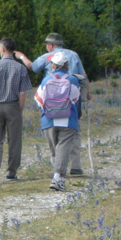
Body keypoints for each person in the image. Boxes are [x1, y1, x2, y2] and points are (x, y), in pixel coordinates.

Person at [15, 33, 88, 175]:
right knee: (74, 131)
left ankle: (57, 168)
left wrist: (21, 56)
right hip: (73, 96)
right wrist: (86, 95)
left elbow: (32, 67)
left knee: (53, 132)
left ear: (51, 45)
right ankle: (75, 165)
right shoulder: (74, 55)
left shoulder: (46, 57)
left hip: (52, 99)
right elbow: (84, 76)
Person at [0, 37, 32, 183]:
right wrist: (20, 109)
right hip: (13, 105)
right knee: (14, 140)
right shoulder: (21, 68)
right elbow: (22, 93)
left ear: (3, 49)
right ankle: (11, 171)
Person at [33, 51, 81, 192]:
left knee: (55, 150)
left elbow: (39, 100)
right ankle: (58, 177)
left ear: (53, 65)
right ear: (66, 65)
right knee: (63, 148)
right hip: (67, 119)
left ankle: (57, 175)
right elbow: (75, 99)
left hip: (49, 120)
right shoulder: (72, 80)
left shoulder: (46, 80)